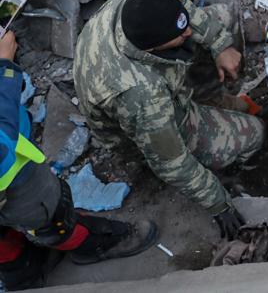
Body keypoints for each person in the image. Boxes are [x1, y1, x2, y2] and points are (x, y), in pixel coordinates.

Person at [73, 0, 264, 241]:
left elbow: (183, 10)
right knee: (255, 133)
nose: (188, 31)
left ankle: (210, 99)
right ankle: (233, 169)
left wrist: (221, 45)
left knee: (221, 18)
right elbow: (170, 162)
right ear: (152, 49)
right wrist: (219, 204)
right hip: (151, 124)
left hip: (158, 83)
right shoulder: (141, 96)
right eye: (180, 33)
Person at [0, 30, 157, 289]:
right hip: (11, 178)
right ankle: (89, 244)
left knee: (6, 240)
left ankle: (23, 267)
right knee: (52, 215)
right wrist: (5, 69)